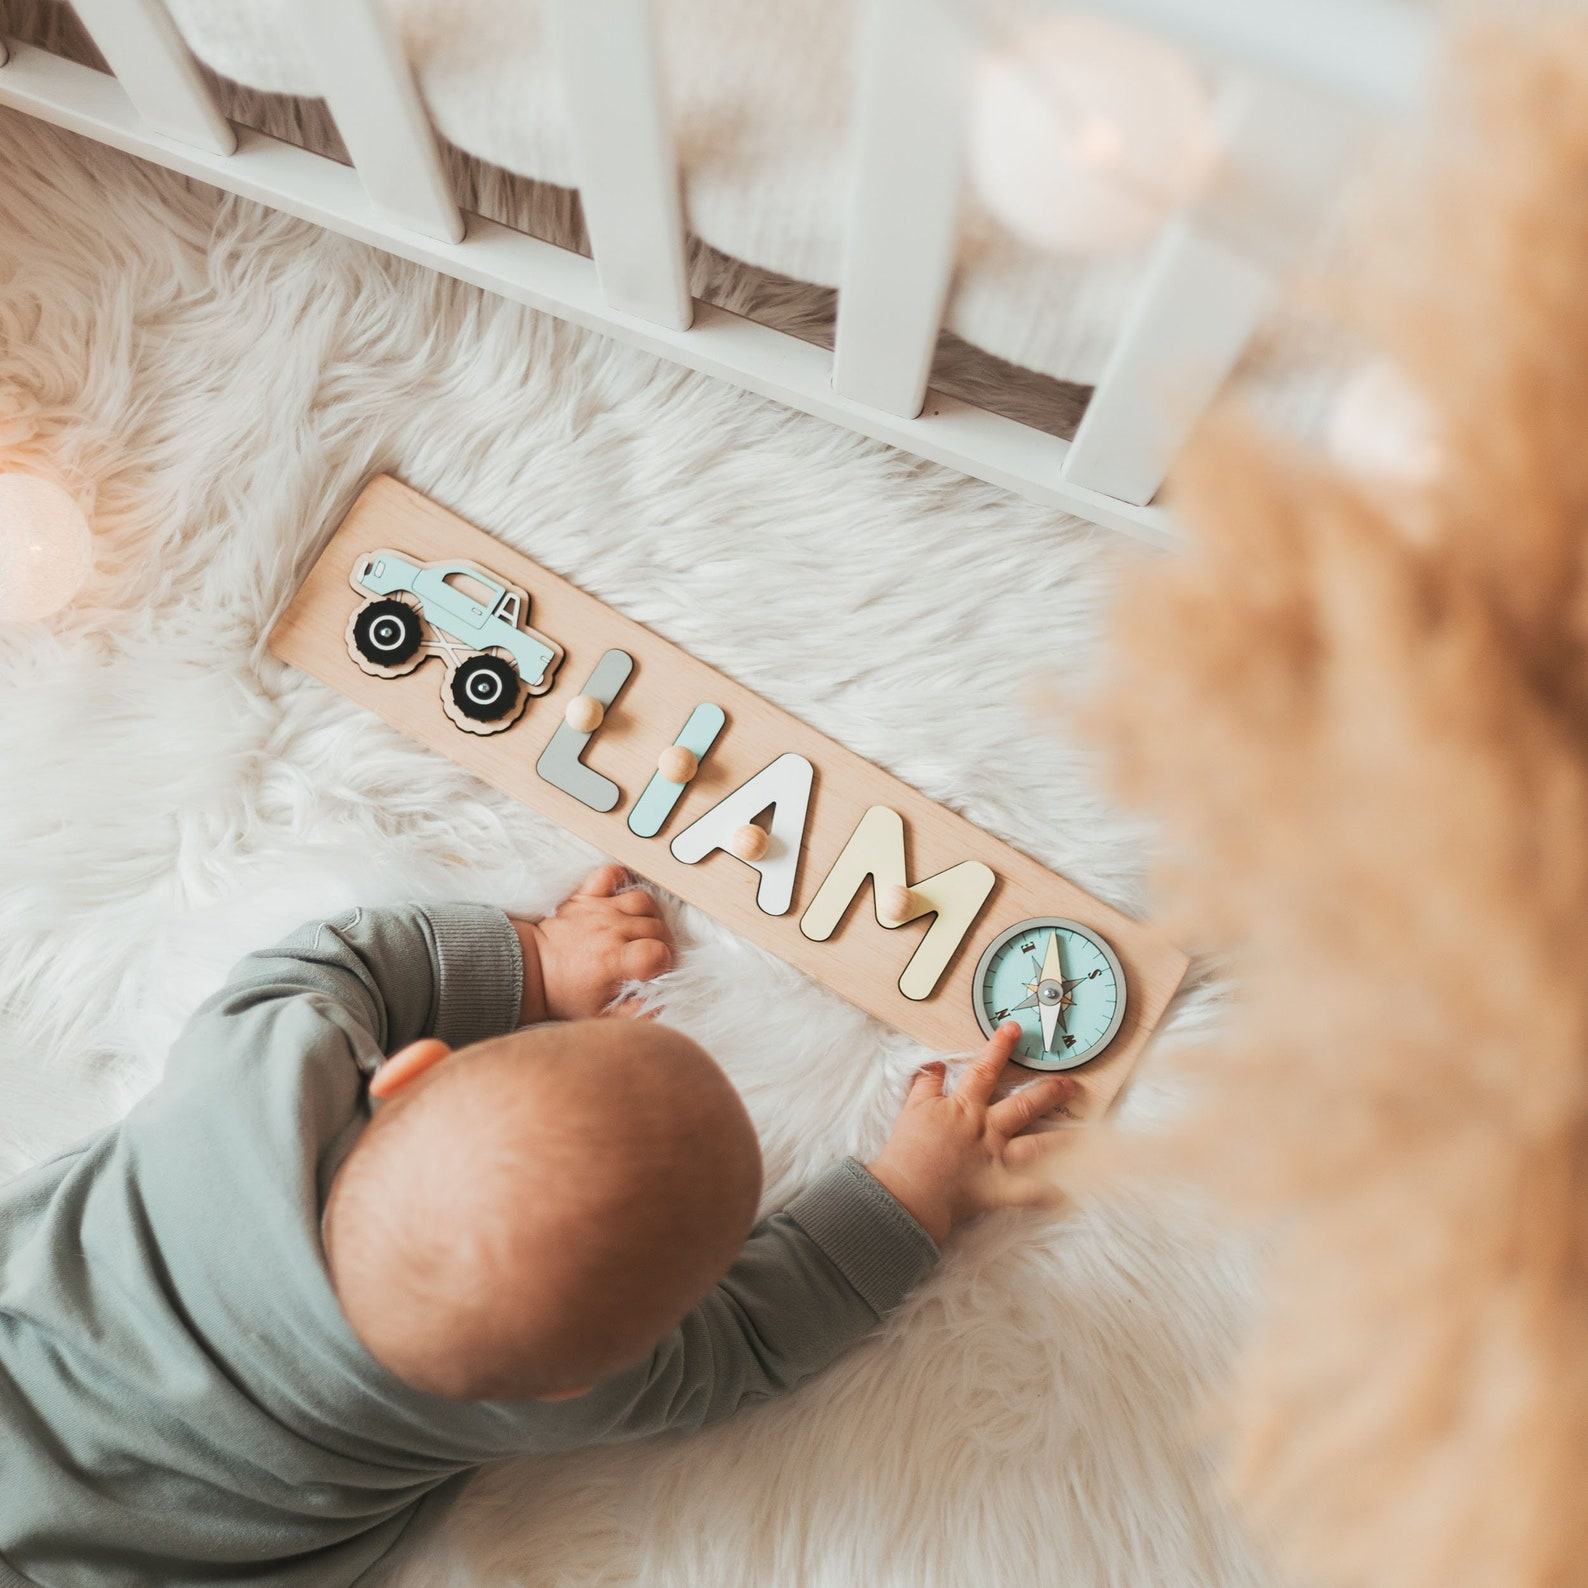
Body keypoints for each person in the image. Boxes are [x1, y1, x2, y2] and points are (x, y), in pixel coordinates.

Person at [0, 865, 1074, 1587]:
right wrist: (915, 1188)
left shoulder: (262, 1067)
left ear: (409, 1073)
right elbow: (756, 1334)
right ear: (571, 1388)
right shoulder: (549, 1403)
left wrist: (536, 962)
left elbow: (338, 961)